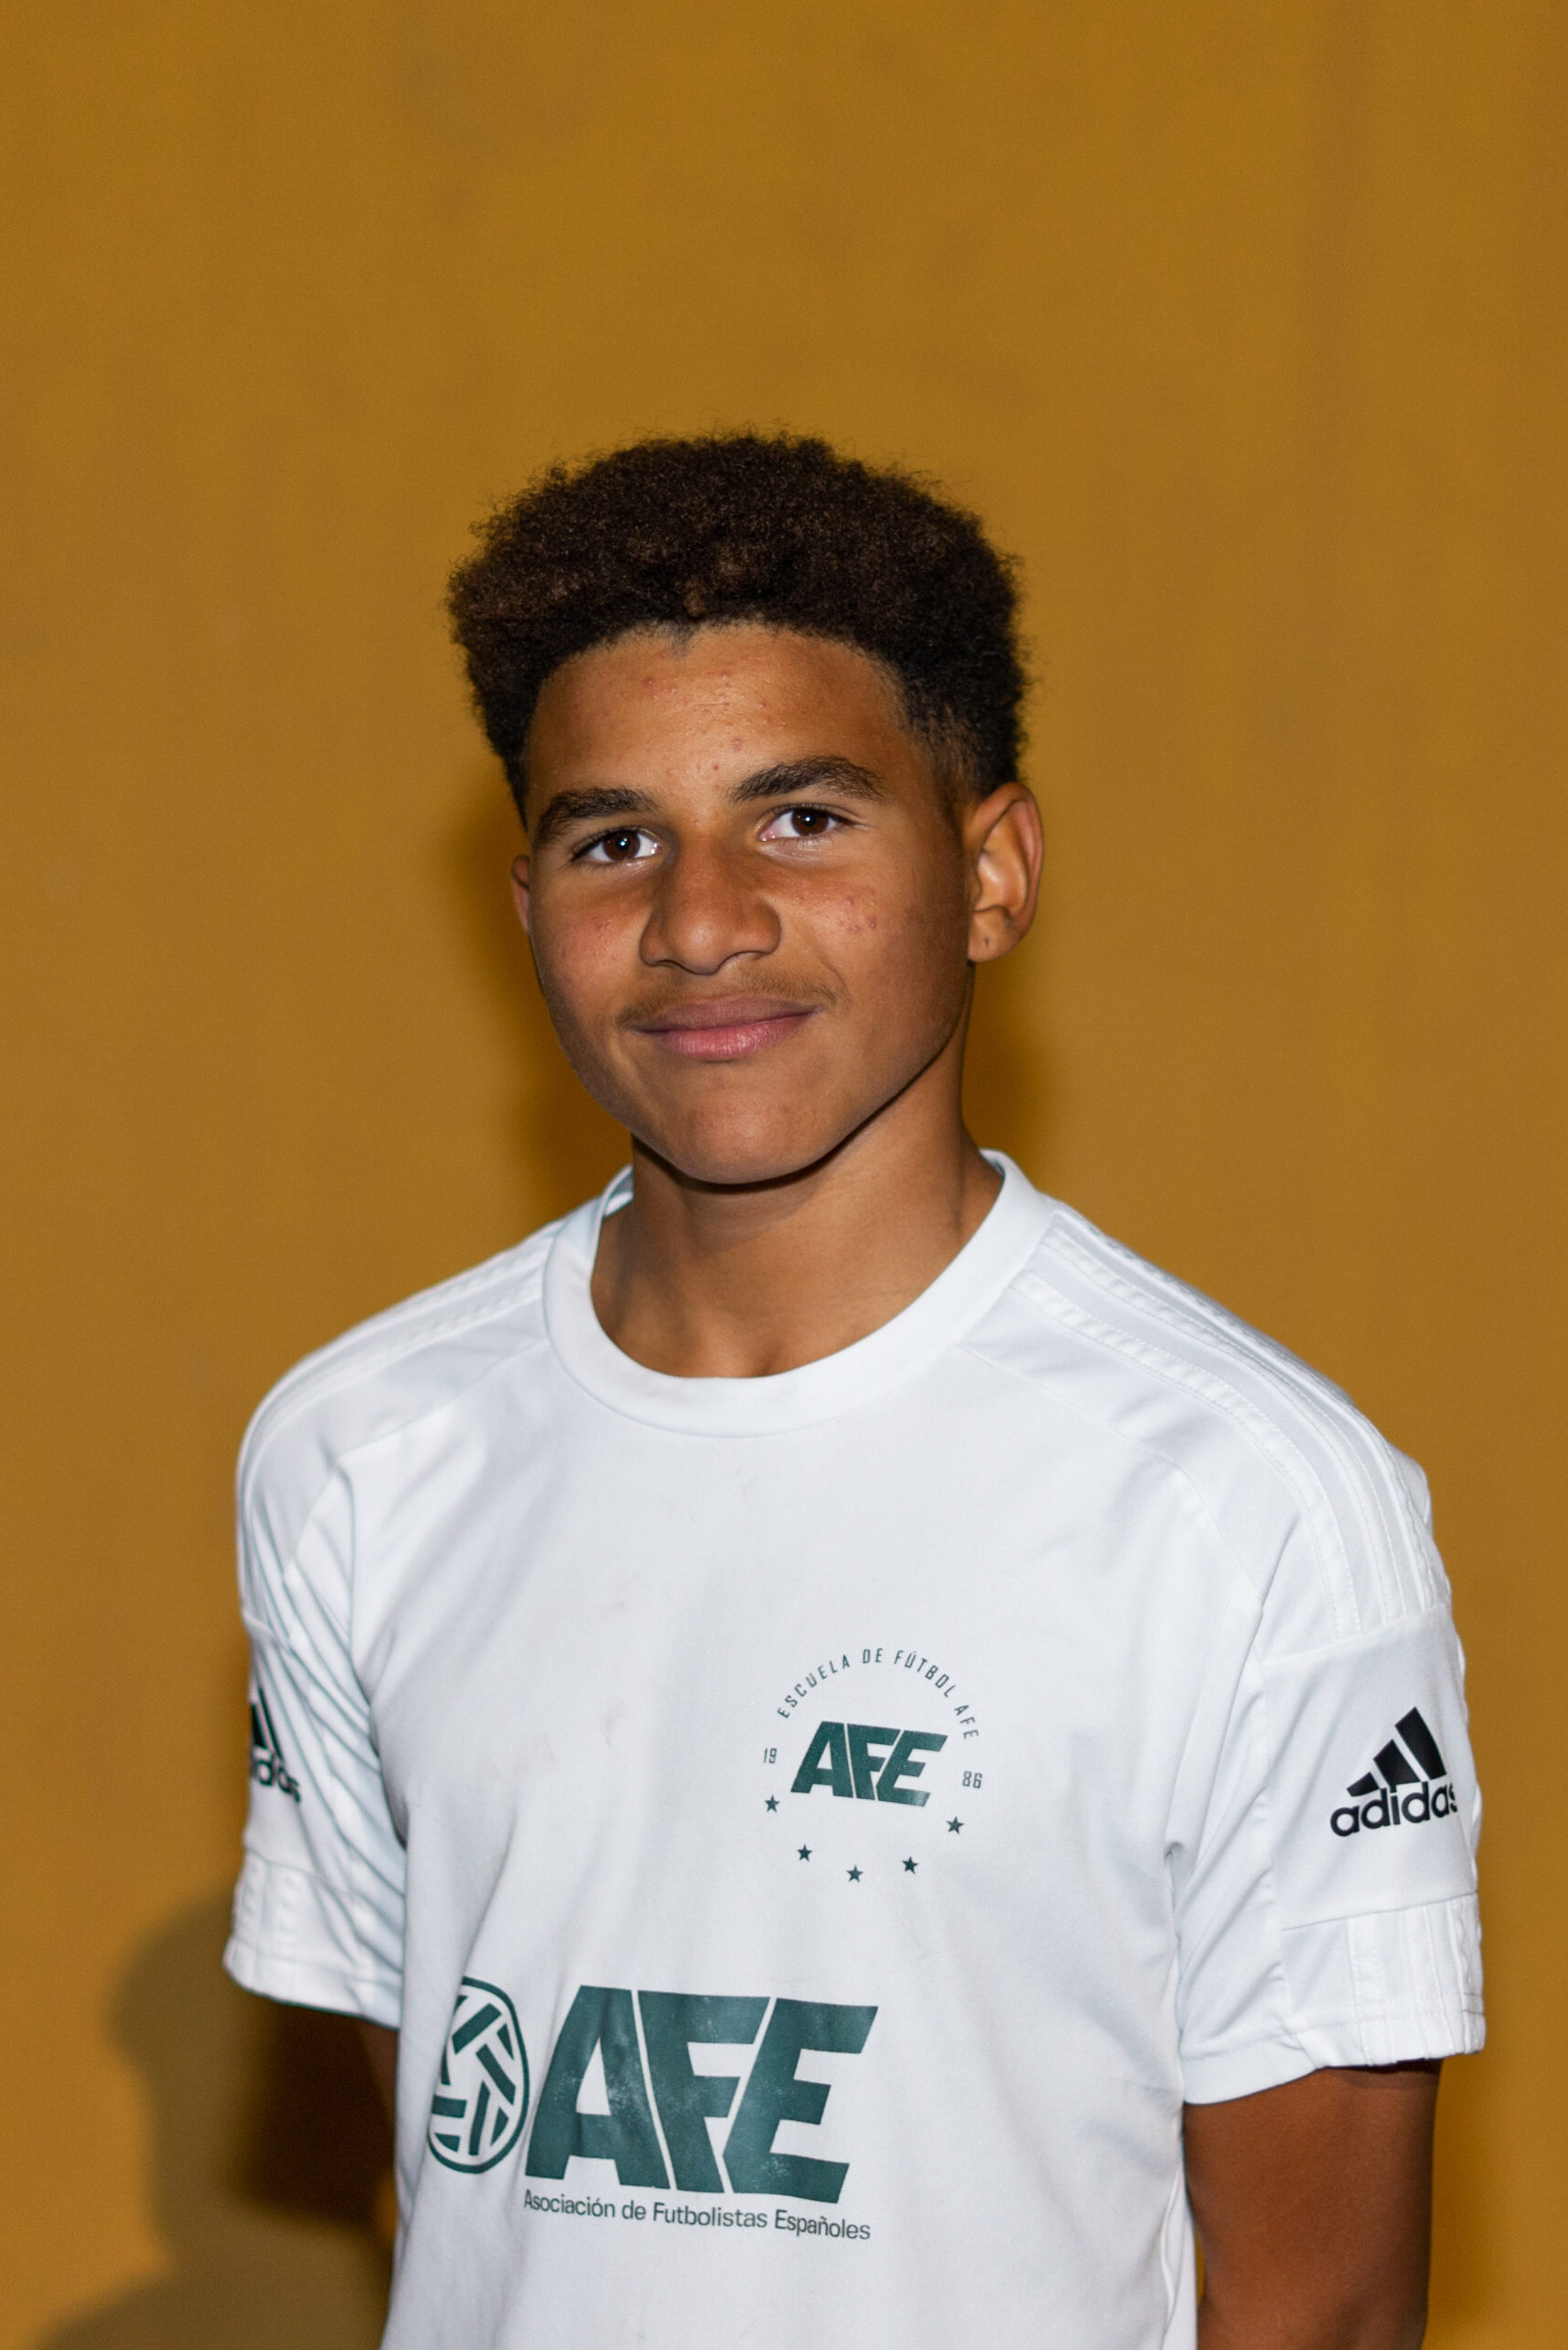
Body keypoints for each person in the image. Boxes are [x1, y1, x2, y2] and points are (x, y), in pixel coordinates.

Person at [224, 434, 1483, 2350]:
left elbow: (1322, 2314)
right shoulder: (356, 1452)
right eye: (612, 838)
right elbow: (467, 2179)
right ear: (525, 903)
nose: (699, 919)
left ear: (990, 872)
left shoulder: (1247, 1504)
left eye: (800, 818)